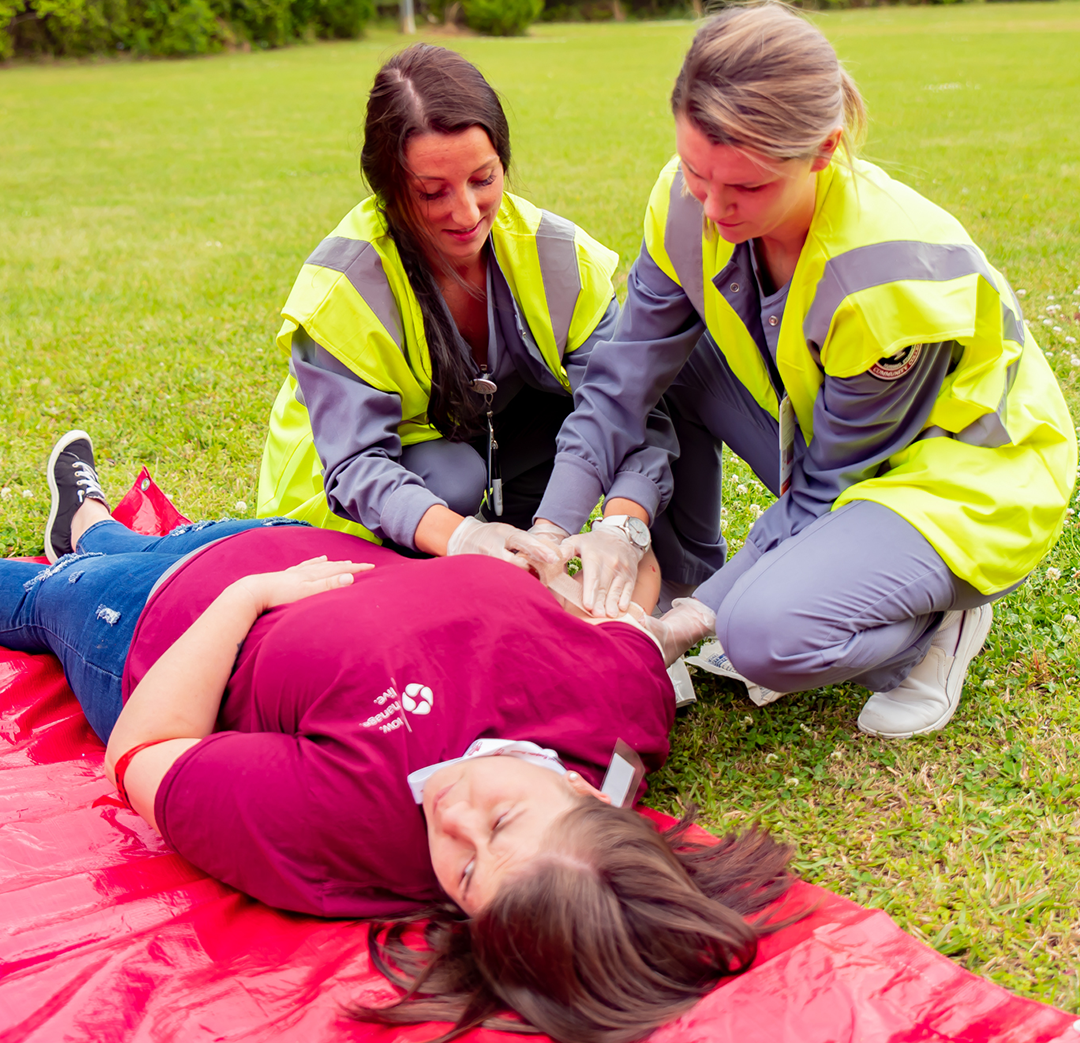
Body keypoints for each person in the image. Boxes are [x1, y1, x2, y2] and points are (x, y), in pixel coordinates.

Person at [2, 430, 796, 1043]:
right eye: (503, 823)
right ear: (587, 792)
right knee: (114, 544)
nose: (454, 826)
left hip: (148, 624)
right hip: (281, 540)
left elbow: (145, 752)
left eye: (468, 875)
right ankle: (88, 524)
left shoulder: (345, 828)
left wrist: (244, 601)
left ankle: (71, 560)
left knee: (44, 592)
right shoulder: (620, 709)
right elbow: (626, 620)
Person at [529, 3, 1077, 738]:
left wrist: (699, 623)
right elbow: (625, 376)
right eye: (697, 172)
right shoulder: (684, 200)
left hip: (956, 481)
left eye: (747, 189)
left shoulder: (883, 280)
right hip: (831, 443)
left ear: (822, 151)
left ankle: (935, 623)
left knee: (762, 638)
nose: (714, 208)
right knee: (671, 365)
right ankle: (681, 583)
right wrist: (548, 528)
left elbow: (829, 484)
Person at [256, 43, 673, 579]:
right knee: (452, 477)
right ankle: (430, 576)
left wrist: (621, 527)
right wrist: (462, 535)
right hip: (337, 511)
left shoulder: (561, 258)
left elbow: (628, 406)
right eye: (432, 193)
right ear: (388, 193)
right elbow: (356, 465)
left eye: (484, 179)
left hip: (490, 455)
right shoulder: (342, 285)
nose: (467, 212)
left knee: (619, 389)